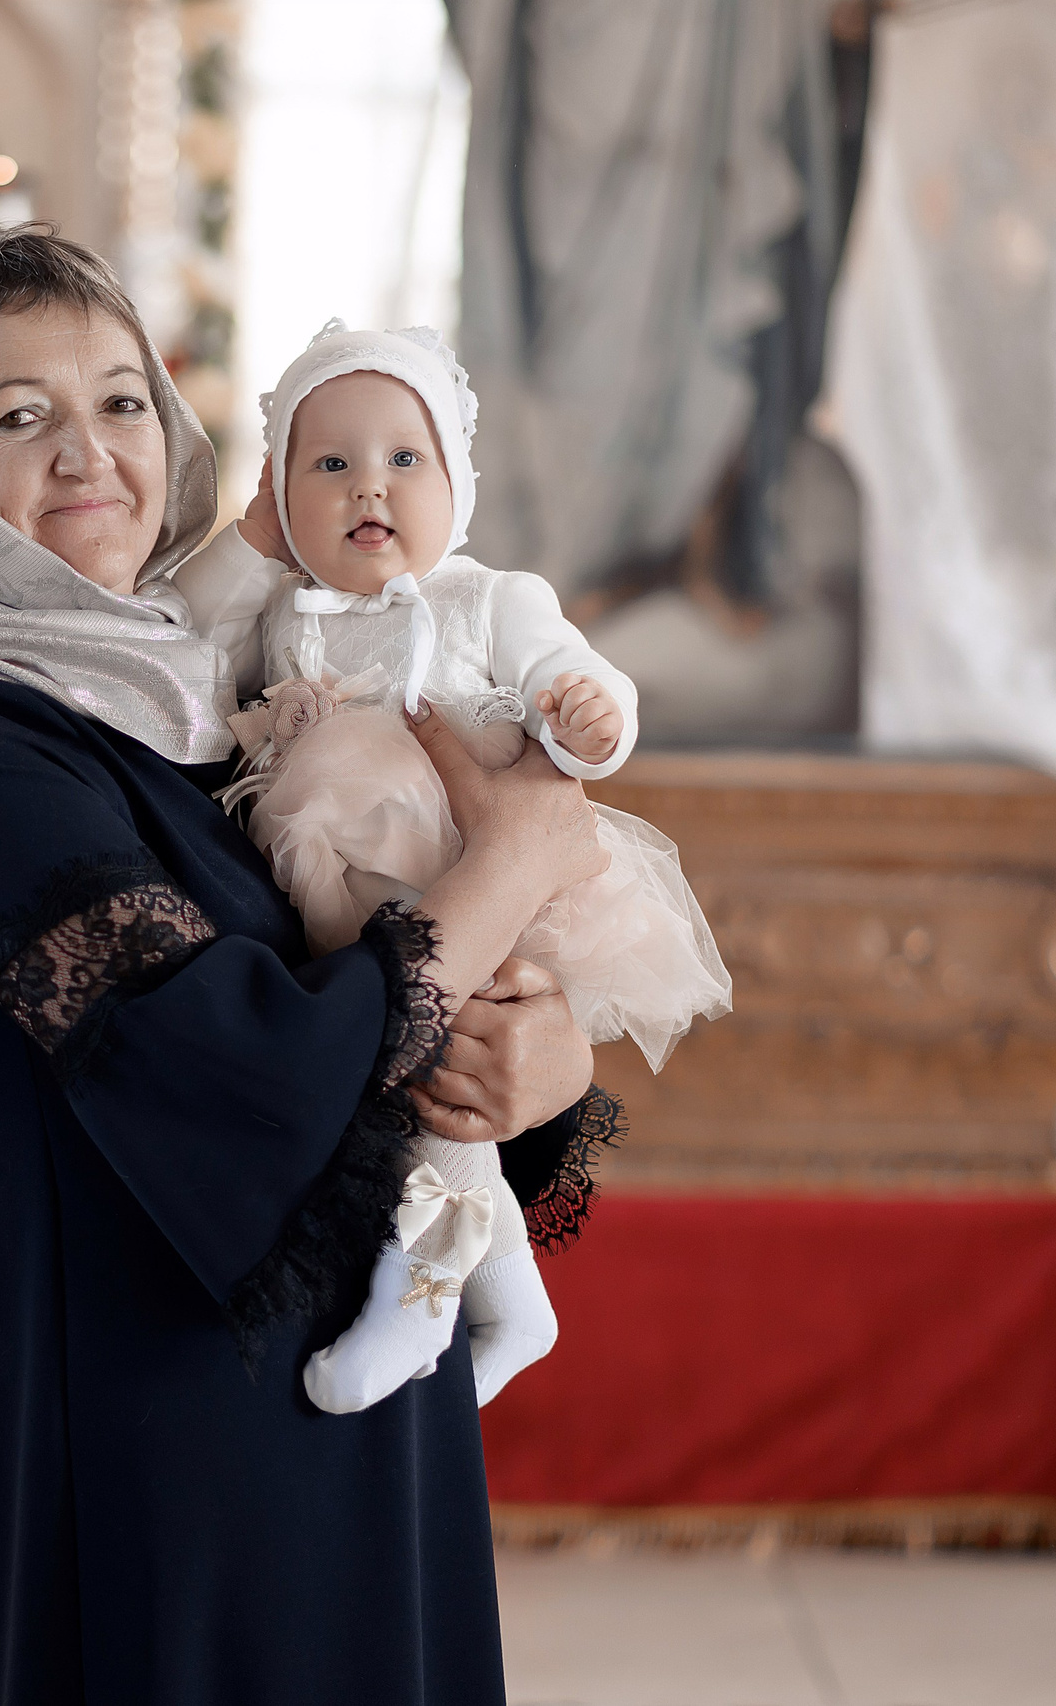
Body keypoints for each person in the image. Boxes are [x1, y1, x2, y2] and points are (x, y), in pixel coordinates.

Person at [0, 225, 617, 1704]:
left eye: (123, 401)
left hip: (334, 1461)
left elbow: (387, 1039)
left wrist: (541, 1063)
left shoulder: (210, 704)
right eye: (19, 417)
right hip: (148, 1514)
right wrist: (512, 860)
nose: (90, 454)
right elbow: (244, 1072)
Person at [178, 322, 730, 1416]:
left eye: (403, 460)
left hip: (460, 868)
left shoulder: (485, 597)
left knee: (436, 1074)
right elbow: (183, 627)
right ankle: (506, 1287)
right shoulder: (282, 615)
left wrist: (584, 721)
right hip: (358, 901)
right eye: (325, 464)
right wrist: (249, 538)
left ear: (455, 484)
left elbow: (579, 685)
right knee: (419, 1078)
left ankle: (427, 1285)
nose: (364, 488)